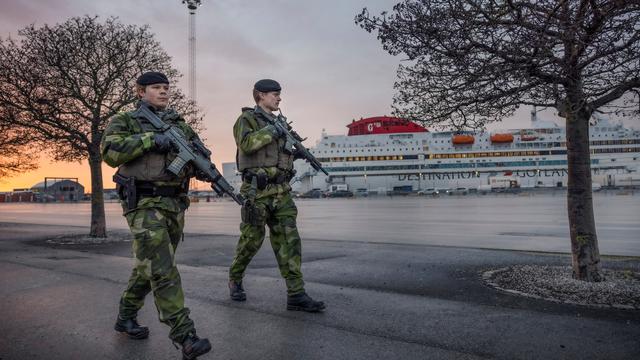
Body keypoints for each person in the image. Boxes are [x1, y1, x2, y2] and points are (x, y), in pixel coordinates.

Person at [101, 71, 211, 359]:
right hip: (144, 205)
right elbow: (111, 152)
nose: (163, 92)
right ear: (140, 92)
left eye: (166, 87)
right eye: (156, 88)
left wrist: (202, 163)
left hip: (175, 204)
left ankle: (125, 316)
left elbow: (198, 157)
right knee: (163, 269)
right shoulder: (125, 120)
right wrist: (151, 139)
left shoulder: (180, 124)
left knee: (148, 267)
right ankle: (185, 335)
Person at [228, 79, 325, 312]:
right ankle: (235, 277)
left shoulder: (280, 123)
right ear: (260, 95)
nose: (279, 98)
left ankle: (296, 293)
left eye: (279, 94)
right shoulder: (246, 120)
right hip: (257, 191)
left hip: (281, 191)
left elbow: (278, 154)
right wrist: (273, 130)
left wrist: (295, 155)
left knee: (290, 242)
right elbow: (248, 145)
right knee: (251, 240)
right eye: (274, 94)